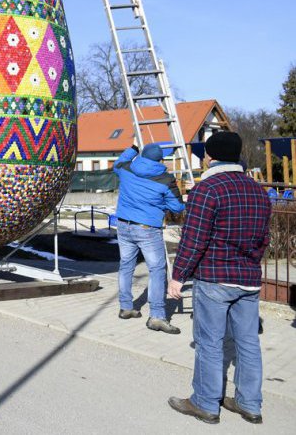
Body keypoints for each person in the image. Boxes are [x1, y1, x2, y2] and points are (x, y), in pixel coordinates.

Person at [167, 131, 272, 425]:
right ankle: (249, 403)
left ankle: (205, 403)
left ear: (210, 157)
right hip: (248, 279)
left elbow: (193, 239)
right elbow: (264, 238)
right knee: (248, 343)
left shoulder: (207, 189)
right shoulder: (258, 191)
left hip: (214, 277)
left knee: (210, 342)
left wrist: (178, 277)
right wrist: (250, 262)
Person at [112, 139, 185, 333]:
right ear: (161, 160)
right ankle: (157, 316)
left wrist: (133, 147)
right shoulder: (165, 178)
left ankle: (126, 307)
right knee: (157, 269)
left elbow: (117, 163)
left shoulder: (126, 168)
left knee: (126, 264)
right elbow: (177, 207)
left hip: (123, 224)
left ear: (141, 155)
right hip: (147, 228)